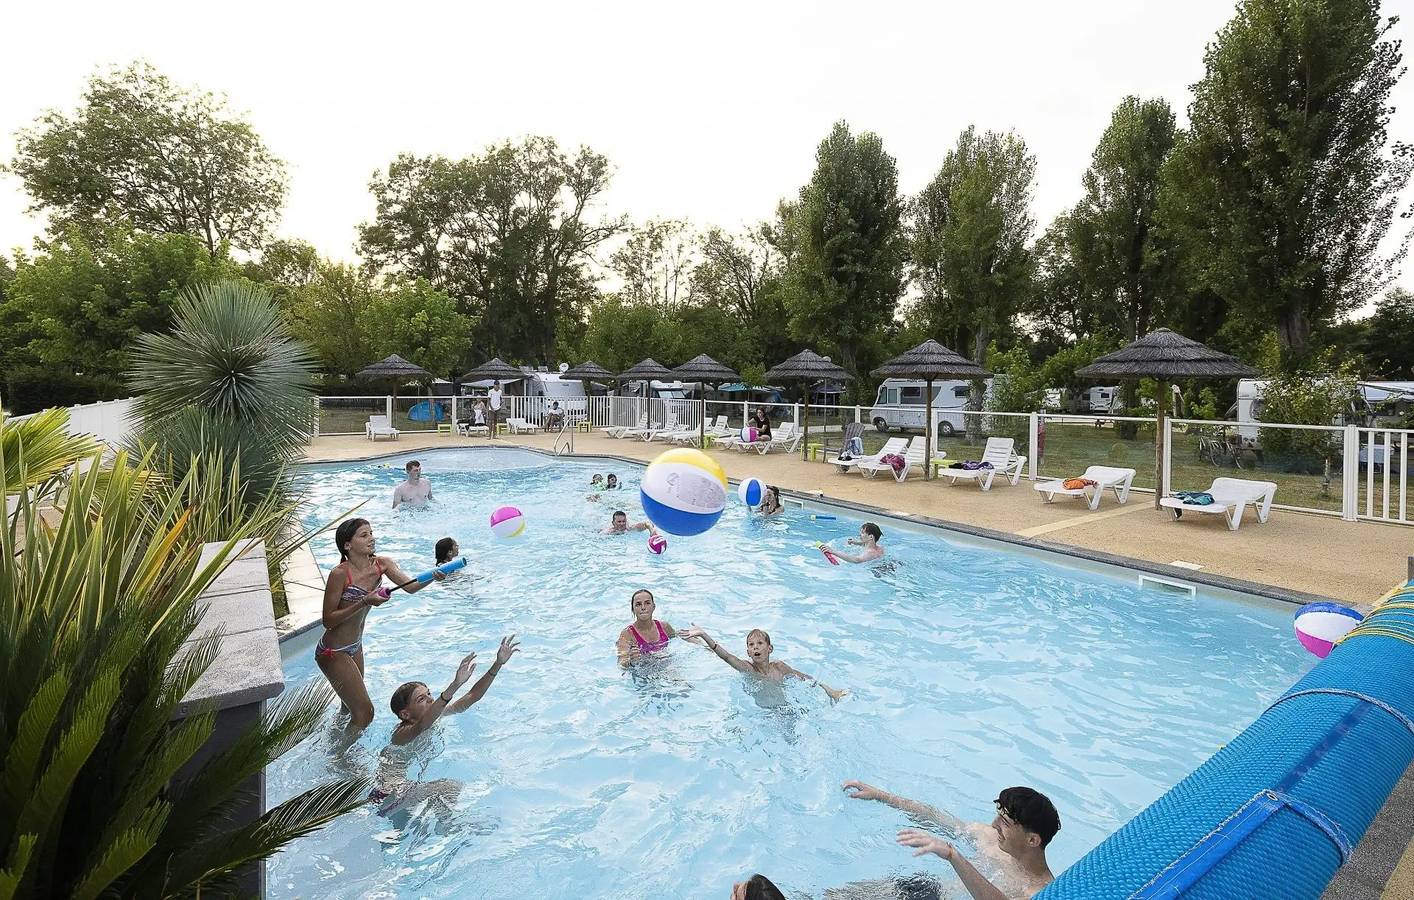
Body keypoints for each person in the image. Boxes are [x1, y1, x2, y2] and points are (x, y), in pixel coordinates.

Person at [317, 518, 444, 730]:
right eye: (364, 535)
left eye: (371, 533)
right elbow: (328, 620)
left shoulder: (382, 564)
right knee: (365, 714)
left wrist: (434, 576)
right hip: (333, 650)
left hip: (355, 646)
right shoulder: (340, 574)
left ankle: (335, 738)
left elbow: (410, 586)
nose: (371, 538)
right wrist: (364, 601)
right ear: (347, 545)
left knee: (349, 709)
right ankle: (343, 751)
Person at [840, 781, 1060, 899]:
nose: (994, 825)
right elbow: (935, 818)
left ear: (1032, 840)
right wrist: (882, 796)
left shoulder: (1040, 891)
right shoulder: (991, 839)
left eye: (1004, 822)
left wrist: (953, 856)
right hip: (924, 889)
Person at [388, 635, 520, 746]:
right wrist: (456, 684)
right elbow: (423, 725)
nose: (430, 699)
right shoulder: (402, 733)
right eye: (421, 699)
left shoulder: (437, 714)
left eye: (428, 693)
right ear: (405, 714)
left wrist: (498, 664)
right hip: (392, 770)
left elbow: (473, 696)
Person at [680, 626, 848, 702]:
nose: (755, 647)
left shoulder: (780, 667)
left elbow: (806, 679)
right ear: (748, 652)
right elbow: (727, 656)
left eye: (760, 643)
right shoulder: (748, 669)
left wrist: (830, 691)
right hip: (763, 714)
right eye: (751, 645)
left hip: (785, 707)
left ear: (770, 649)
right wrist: (704, 635)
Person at [615, 588, 686, 666]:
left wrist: (695, 634)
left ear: (653, 607)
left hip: (666, 665)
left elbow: (679, 635)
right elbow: (621, 663)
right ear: (633, 609)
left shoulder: (664, 627)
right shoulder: (627, 634)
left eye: (647, 603)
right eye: (638, 604)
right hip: (644, 670)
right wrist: (630, 661)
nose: (643, 607)